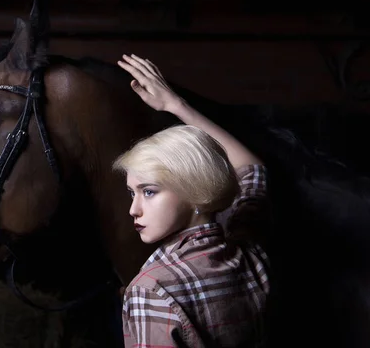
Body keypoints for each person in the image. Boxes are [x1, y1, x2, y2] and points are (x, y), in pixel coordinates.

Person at [114, 54, 271, 348]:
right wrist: (176, 106)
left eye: (148, 191)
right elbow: (252, 168)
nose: (133, 210)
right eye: (131, 193)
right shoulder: (251, 255)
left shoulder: (152, 290)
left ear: (194, 189)